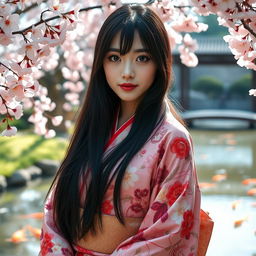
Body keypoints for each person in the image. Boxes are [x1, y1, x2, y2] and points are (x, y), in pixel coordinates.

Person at [40, 4, 202, 256]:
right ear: (101, 63)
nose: (127, 72)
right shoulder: (94, 125)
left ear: (160, 62)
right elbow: (56, 206)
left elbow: (169, 231)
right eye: (114, 58)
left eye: (142, 58)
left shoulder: (173, 139)